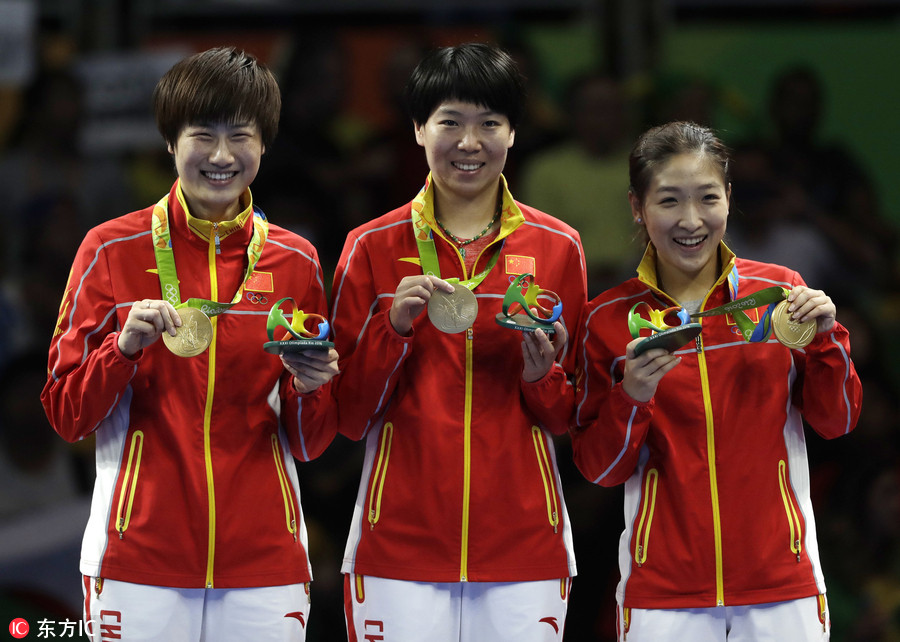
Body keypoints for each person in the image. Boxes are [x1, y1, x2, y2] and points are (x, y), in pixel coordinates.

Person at [40, 47, 339, 642]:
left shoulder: (295, 259)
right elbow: (67, 416)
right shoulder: (109, 249)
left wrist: (310, 388)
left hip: (265, 563)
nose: (221, 156)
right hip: (137, 558)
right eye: (203, 135)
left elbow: (309, 443)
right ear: (170, 142)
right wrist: (120, 352)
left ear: (264, 144)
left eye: (241, 136)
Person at [330, 42, 587, 642]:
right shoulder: (370, 247)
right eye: (450, 122)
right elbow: (347, 416)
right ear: (419, 129)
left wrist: (541, 376)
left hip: (525, 546)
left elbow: (569, 415)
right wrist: (392, 331)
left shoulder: (559, 247)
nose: (469, 143)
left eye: (489, 124)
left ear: (513, 132)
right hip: (397, 545)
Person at [570, 121, 862, 641]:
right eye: (669, 201)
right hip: (663, 594)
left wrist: (828, 340)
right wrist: (631, 397)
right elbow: (600, 470)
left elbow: (836, 422)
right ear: (637, 206)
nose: (691, 220)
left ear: (728, 196)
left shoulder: (780, 295)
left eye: (708, 198)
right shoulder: (607, 319)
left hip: (782, 584)